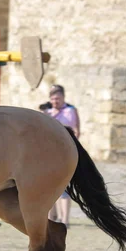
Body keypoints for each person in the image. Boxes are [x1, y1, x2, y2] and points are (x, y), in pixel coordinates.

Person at [43, 85, 80, 228]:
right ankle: (51, 217)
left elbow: (77, 131)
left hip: (65, 152)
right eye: (52, 99)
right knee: (48, 187)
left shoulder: (71, 111)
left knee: (64, 188)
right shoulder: (48, 112)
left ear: (63, 98)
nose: (55, 101)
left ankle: (65, 220)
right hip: (49, 153)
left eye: (57, 98)